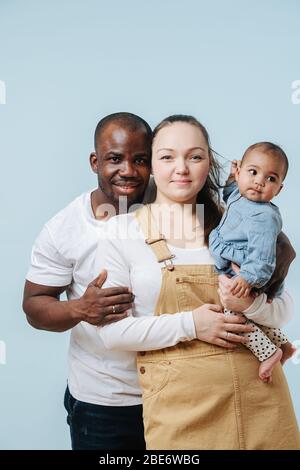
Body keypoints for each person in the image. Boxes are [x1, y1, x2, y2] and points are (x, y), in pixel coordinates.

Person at [22, 112, 256, 450]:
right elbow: (33, 307)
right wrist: (80, 309)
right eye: (114, 159)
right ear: (94, 161)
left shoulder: (176, 197)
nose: (129, 171)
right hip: (108, 401)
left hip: (183, 391)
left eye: (141, 159)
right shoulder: (65, 229)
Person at [93, 115, 299, 450]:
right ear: (150, 164)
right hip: (182, 412)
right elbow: (112, 334)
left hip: (260, 399)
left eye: (195, 156)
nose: (182, 168)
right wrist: (192, 324)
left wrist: (249, 304)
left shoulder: (240, 220)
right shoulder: (121, 232)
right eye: (167, 156)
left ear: (211, 164)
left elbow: (283, 308)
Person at [209, 145, 296, 382]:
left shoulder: (264, 217)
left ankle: (267, 353)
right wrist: (230, 177)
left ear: (279, 189)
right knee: (246, 314)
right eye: (253, 172)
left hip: (245, 268)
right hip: (233, 259)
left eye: (270, 178)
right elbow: (229, 194)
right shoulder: (240, 192)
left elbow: (263, 257)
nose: (259, 182)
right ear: (239, 174)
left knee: (233, 313)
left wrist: (248, 279)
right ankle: (283, 343)